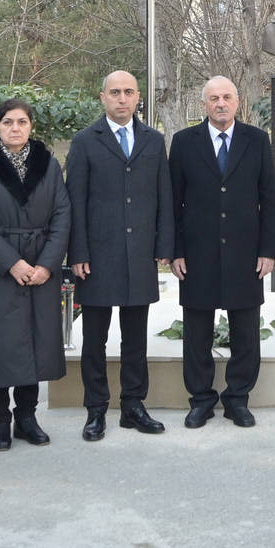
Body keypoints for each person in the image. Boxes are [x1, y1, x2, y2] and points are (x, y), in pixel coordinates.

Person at [67, 70, 175, 440]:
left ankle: (133, 406)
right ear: (103, 97)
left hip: (139, 254)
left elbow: (163, 195)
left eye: (128, 92)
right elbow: (75, 201)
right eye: (115, 92)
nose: (122, 98)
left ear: (138, 96)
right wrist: (77, 252)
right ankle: (96, 409)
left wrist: (164, 246)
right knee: (94, 340)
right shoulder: (85, 141)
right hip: (97, 257)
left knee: (135, 338)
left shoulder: (153, 140)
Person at [169, 75, 275, 427]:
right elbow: (173, 202)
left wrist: (268, 250)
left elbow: (269, 199)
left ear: (237, 102)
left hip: (245, 253)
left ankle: (237, 399)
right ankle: (201, 400)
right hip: (197, 254)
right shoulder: (184, 142)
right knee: (196, 334)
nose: (221, 103)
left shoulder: (257, 140)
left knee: (245, 333)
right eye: (214, 98)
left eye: (227, 97)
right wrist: (175, 251)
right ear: (204, 104)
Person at [0, 97, 71, 450]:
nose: (15, 128)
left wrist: (47, 264)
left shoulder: (48, 165)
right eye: (8, 122)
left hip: (40, 267)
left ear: (31, 126)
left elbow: (62, 216)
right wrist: (12, 263)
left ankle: (27, 417)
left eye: (22, 122)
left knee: (35, 342)